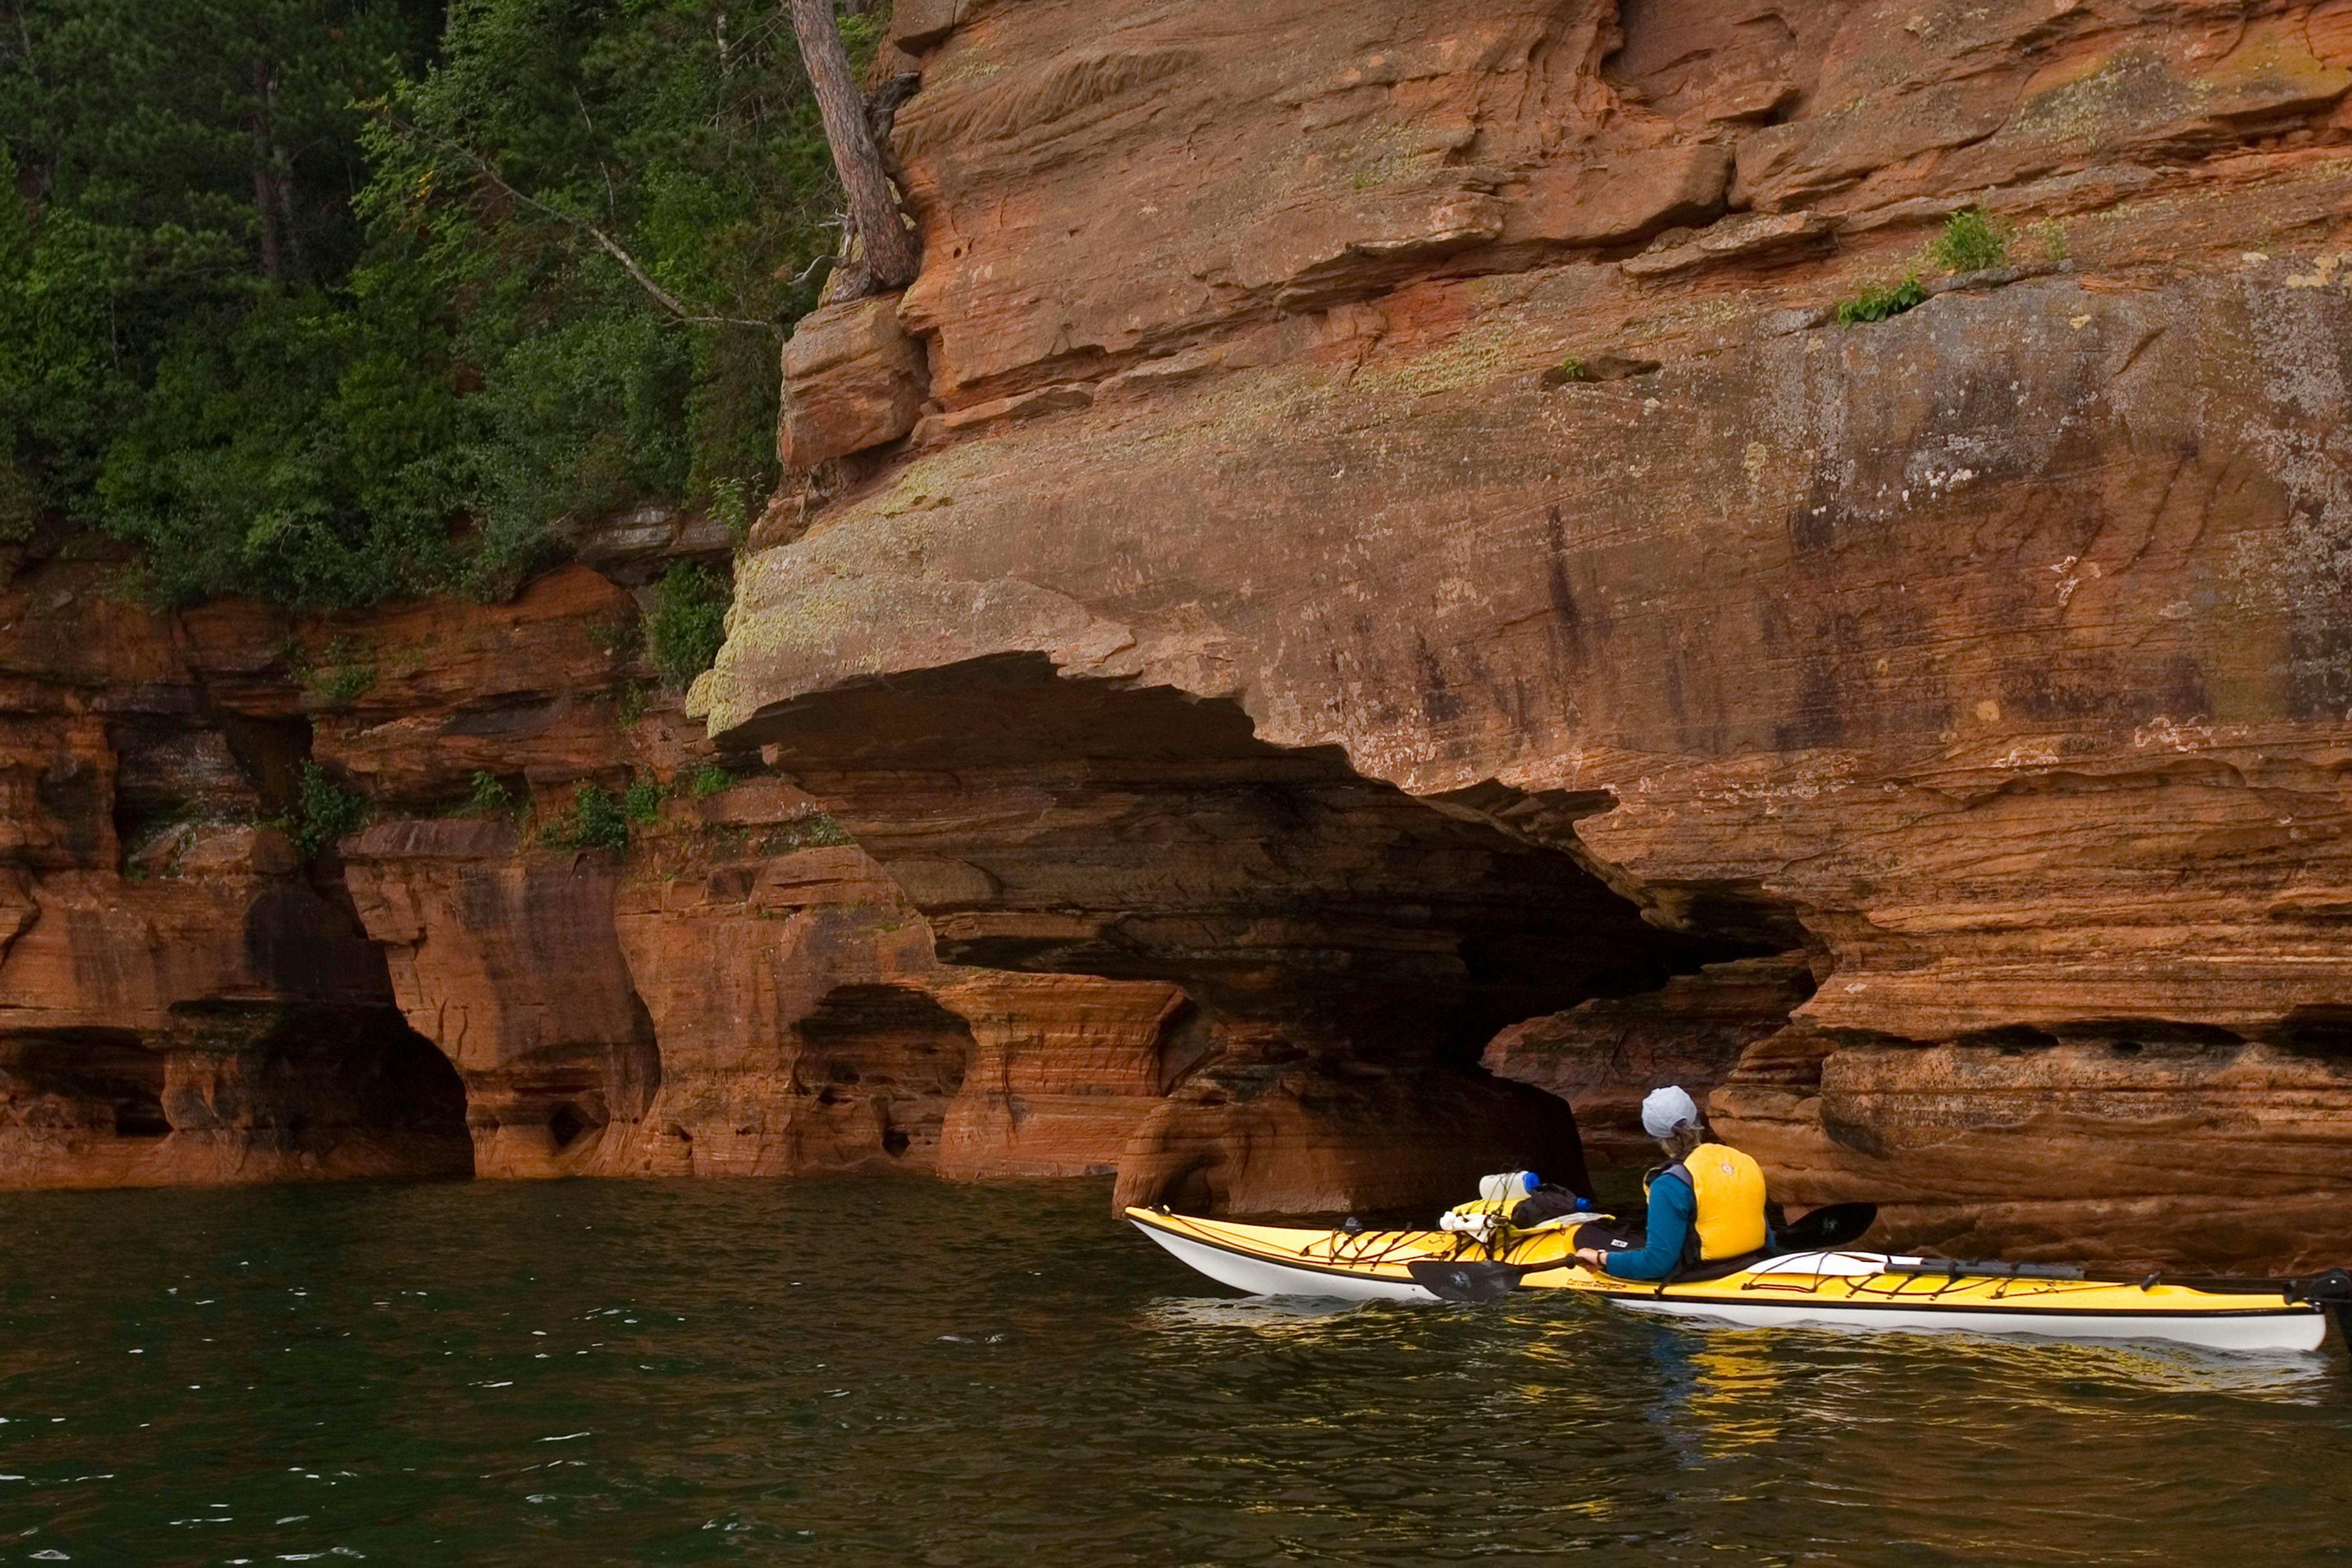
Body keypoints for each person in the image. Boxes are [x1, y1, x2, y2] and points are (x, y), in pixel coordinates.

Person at [1573, 1085, 1768, 1280]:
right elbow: (1768, 1236)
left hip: (1703, 1271)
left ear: (1653, 1136)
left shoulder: (1670, 1183)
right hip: (1753, 1260)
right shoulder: (1745, 1161)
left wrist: (1601, 1258)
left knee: (1587, 1235)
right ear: (1697, 1120)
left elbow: (1656, 1264)